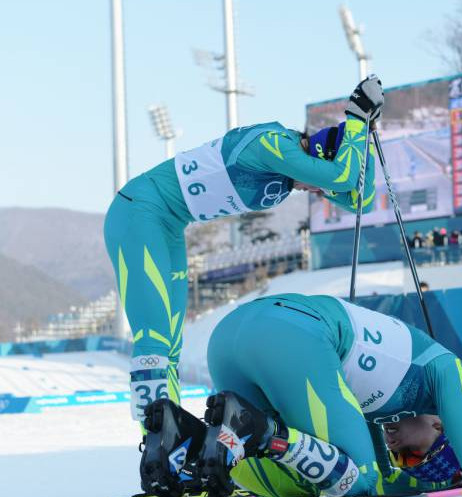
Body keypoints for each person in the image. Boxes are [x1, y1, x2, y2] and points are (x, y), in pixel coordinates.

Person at [103, 75, 384, 423]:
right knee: (154, 340)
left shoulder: (286, 179)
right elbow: (343, 178)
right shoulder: (272, 143)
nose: (317, 192)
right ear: (317, 156)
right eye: (317, 184)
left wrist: (364, 139)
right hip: (138, 214)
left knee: (169, 347)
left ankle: (167, 435)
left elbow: (360, 201)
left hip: (169, 226)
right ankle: (157, 442)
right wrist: (356, 118)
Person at [137, 294, 462, 497]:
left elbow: (389, 480)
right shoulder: (451, 377)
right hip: (289, 334)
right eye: (413, 453)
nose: (399, 451)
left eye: (402, 458)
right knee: (356, 479)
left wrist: (411, 480)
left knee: (264, 474)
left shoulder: (381, 409)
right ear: (443, 427)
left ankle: (182, 440)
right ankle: (255, 429)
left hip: (233, 334)